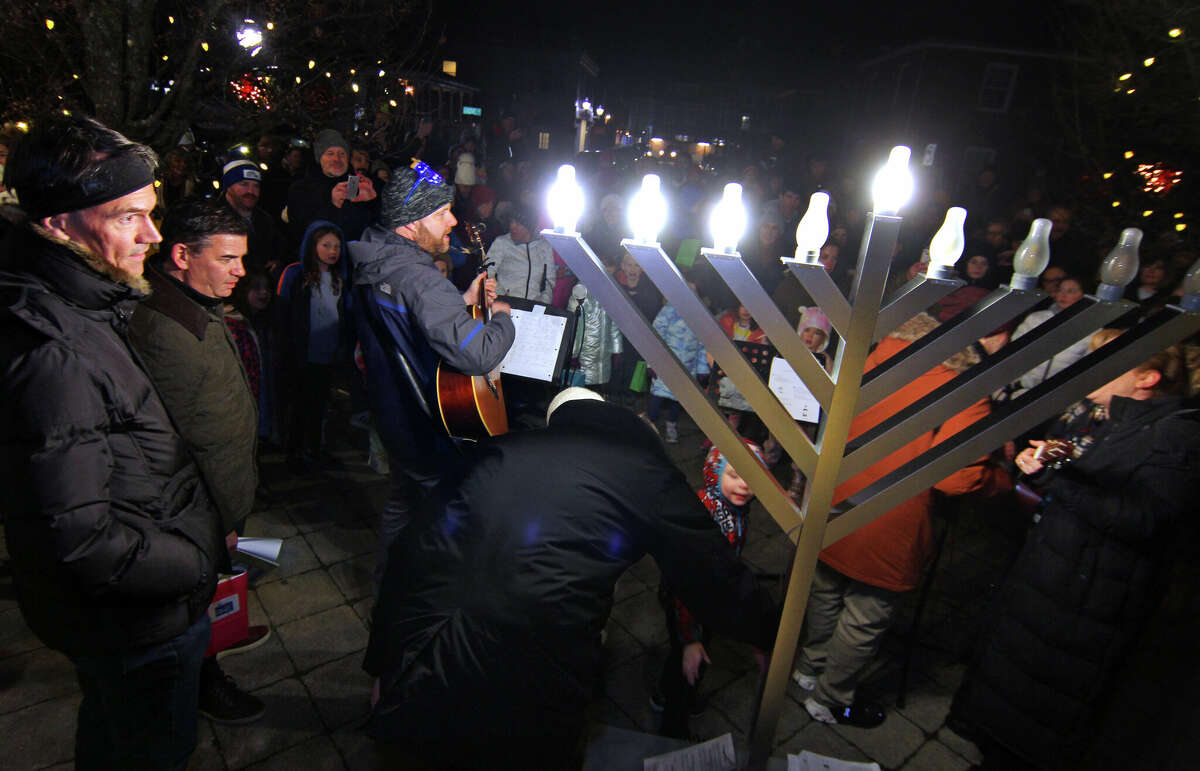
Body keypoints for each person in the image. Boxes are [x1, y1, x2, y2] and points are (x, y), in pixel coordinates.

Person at [365, 389, 780, 768]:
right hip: (535, 669)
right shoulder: (647, 473)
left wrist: (384, 663)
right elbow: (712, 572)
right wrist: (771, 634)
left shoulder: (499, 450)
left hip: (427, 654)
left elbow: (411, 553)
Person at [0, 116, 224, 769]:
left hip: (131, 616)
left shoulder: (84, 300)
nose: (153, 237)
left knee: (112, 734)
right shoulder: (53, 348)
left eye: (151, 214)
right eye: (130, 218)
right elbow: (80, 542)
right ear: (59, 222)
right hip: (138, 621)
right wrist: (192, 560)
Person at [949, 346, 1200, 770]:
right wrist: (1051, 457)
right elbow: (1099, 465)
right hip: (1054, 580)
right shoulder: (1117, 419)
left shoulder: (1177, 435)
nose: (1089, 372)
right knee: (1005, 703)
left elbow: (1143, 518)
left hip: (1084, 604)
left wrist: (1052, 478)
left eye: (1107, 362)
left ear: (1147, 379)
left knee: (1030, 722)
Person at [791, 313, 1009, 728]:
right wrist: (1000, 479)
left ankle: (808, 666)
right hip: (893, 518)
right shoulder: (967, 389)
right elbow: (956, 478)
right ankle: (830, 697)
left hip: (835, 498)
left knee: (825, 588)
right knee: (864, 615)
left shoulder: (878, 357)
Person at [127, 198, 266, 725]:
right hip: (198, 513)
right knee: (191, 609)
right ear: (182, 255)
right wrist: (214, 521)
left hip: (218, 500)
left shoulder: (194, 304)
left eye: (242, 258)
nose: (241, 271)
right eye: (228, 259)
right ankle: (201, 686)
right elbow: (171, 446)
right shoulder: (163, 330)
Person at [347, 160, 515, 586]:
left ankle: (388, 583)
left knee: (403, 501)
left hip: (392, 413)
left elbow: (408, 326)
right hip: (426, 424)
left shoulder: (376, 258)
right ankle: (425, 597)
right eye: (441, 213)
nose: (454, 221)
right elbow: (477, 353)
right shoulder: (420, 280)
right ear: (408, 225)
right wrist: (501, 317)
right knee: (445, 514)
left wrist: (459, 299)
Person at [654, 440, 766, 738]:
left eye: (753, 477)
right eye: (734, 475)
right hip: (687, 601)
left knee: (687, 655)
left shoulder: (731, 508)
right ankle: (673, 723)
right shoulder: (710, 520)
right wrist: (691, 637)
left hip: (707, 595)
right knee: (689, 659)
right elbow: (686, 580)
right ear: (714, 472)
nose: (744, 485)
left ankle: (668, 694)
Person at [276, 220, 351, 473]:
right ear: (312, 246)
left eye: (337, 246)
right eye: (326, 245)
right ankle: (294, 453)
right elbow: (283, 313)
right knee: (299, 405)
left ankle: (316, 449)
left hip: (327, 353)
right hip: (301, 353)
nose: (332, 251)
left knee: (320, 404)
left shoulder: (340, 277)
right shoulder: (295, 274)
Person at [284, 128, 377, 247]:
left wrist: (372, 202)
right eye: (330, 153)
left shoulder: (353, 184)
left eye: (342, 154)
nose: (336, 159)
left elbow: (366, 231)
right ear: (319, 157)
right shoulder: (301, 188)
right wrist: (332, 205)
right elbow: (301, 231)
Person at [647, 294, 709, 443]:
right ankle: (649, 425)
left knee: (679, 399)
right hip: (665, 365)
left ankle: (671, 425)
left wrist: (702, 369)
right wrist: (652, 363)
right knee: (657, 398)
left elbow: (702, 345)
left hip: (688, 367)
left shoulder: (699, 316)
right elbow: (654, 337)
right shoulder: (667, 311)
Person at [221, 159, 287, 277]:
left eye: (256, 186)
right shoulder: (214, 220)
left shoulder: (265, 219)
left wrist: (277, 262)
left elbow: (279, 248)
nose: (251, 191)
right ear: (228, 186)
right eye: (244, 184)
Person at [486, 203, 557, 304]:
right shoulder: (502, 243)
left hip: (533, 309)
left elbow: (549, 281)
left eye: (518, 224)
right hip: (505, 305)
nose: (512, 226)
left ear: (529, 226)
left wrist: (543, 303)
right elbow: (486, 272)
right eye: (511, 222)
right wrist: (501, 295)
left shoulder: (544, 247)